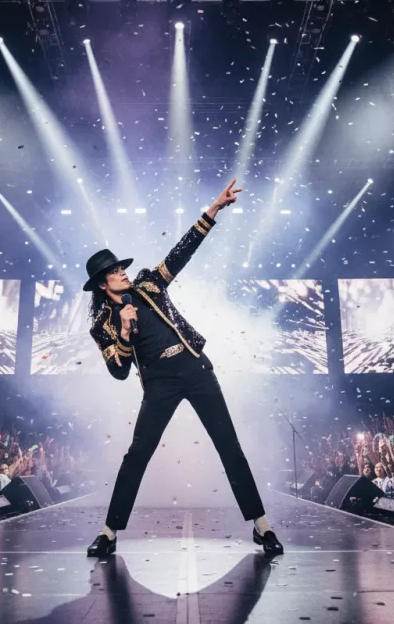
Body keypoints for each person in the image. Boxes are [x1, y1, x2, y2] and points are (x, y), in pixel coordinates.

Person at [83, 179, 283, 558]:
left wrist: (214, 208)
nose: (122, 272)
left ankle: (262, 526)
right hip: (159, 383)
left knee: (229, 447)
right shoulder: (103, 326)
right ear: (101, 283)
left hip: (194, 366)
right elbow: (119, 371)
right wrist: (124, 330)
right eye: (114, 271)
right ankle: (109, 533)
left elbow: (181, 252)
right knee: (137, 455)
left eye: (120, 267)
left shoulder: (148, 284)